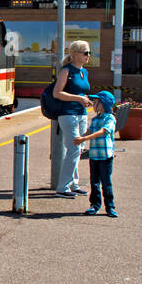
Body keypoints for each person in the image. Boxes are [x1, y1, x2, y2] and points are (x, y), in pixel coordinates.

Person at [52, 40, 93, 198]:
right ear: (75, 54)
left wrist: (85, 99)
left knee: (79, 149)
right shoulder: (66, 70)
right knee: (74, 148)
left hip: (81, 113)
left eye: (89, 53)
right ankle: (62, 187)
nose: (88, 56)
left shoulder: (84, 72)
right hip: (68, 113)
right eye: (86, 53)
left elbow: (81, 92)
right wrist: (78, 98)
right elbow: (57, 93)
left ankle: (74, 184)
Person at [73, 91, 118, 218]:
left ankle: (110, 207)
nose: (94, 104)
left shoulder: (110, 118)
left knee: (106, 182)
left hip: (105, 156)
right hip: (94, 155)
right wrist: (80, 138)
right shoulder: (95, 119)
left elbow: (102, 131)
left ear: (104, 104)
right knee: (94, 182)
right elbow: (89, 131)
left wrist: (84, 139)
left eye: (97, 102)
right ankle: (94, 205)